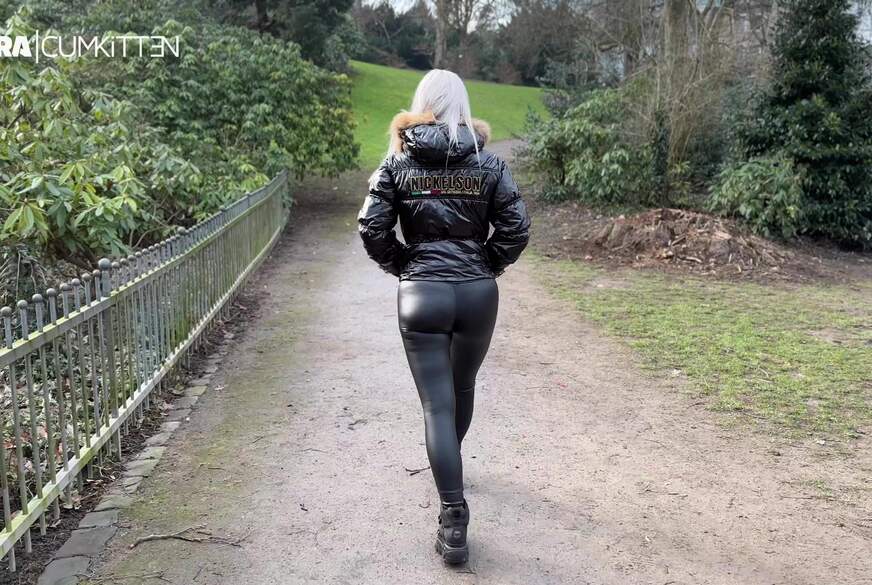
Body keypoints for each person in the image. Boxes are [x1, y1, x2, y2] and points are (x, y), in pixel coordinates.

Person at [357, 69, 531, 565]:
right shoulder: (489, 164)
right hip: (477, 292)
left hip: (422, 294)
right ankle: (449, 465)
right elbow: (517, 227)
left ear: (421, 102)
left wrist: (406, 265)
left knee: (437, 406)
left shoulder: (397, 162)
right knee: (462, 389)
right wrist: (484, 263)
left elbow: (371, 227)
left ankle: (453, 518)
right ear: (464, 105)